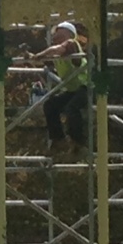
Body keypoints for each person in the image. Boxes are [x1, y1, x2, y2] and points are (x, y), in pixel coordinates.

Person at [29, 21, 90, 154]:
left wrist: (38, 56)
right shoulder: (58, 52)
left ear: (69, 33)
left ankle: (78, 141)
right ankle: (58, 139)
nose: (55, 36)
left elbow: (56, 50)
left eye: (59, 32)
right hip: (72, 90)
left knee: (71, 108)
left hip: (86, 88)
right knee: (50, 105)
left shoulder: (72, 43)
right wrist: (31, 57)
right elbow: (48, 56)